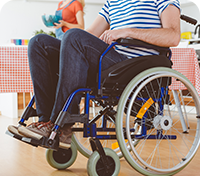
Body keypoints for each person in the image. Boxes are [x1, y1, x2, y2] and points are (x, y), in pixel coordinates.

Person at [16, 0, 181, 148]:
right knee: (39, 43)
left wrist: (127, 31)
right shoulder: (113, 2)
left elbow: (173, 36)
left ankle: (62, 125)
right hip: (111, 62)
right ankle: (45, 122)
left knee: (74, 36)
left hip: (135, 66)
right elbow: (88, 35)